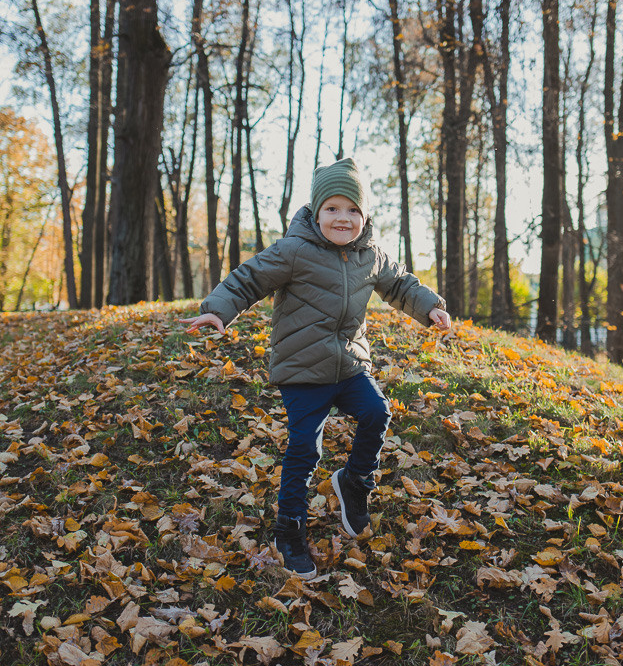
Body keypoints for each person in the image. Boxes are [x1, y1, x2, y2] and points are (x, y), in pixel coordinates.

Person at [180, 157, 450, 579]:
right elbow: (247, 279)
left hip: (349, 365)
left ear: (365, 216)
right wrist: (217, 310)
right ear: (316, 211)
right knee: (305, 449)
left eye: (353, 210)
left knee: (377, 412)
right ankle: (289, 530)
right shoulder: (293, 250)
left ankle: (354, 483)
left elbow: (400, 284)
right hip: (303, 369)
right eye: (333, 209)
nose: (343, 219)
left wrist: (430, 307)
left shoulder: (370, 255)